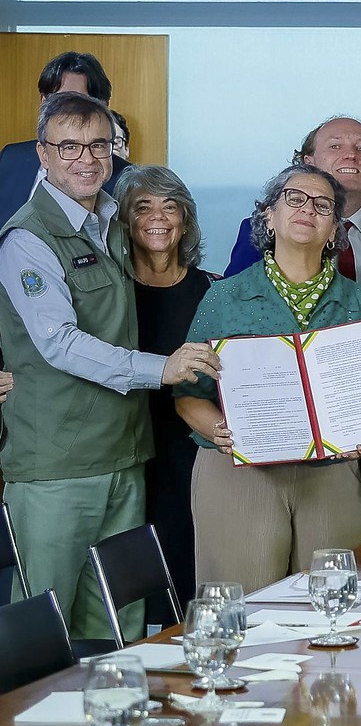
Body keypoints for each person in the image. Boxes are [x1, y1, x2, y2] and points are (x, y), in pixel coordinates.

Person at [0, 93, 215, 641]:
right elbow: (59, 343)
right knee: (45, 626)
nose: (86, 158)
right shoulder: (28, 238)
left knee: (119, 628)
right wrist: (161, 368)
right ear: (42, 154)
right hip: (57, 466)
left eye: (97, 144)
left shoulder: (107, 224)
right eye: (68, 146)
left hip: (124, 455)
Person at [176, 164, 361, 590]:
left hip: (331, 472)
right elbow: (187, 393)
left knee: (331, 607)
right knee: (242, 607)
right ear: (269, 216)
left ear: (335, 230)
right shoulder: (224, 297)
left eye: (322, 205)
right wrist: (220, 429)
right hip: (240, 471)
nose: (308, 209)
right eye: (295, 198)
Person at [117, 165, 213, 612]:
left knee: (191, 570)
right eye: (143, 207)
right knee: (133, 583)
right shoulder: (109, 293)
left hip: (193, 449)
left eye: (170, 206)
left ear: (186, 219)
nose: (158, 217)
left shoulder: (213, 291)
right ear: (123, 220)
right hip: (126, 447)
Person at [225, 116, 361, 282]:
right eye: (335, 146)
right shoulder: (267, 228)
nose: (350, 155)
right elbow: (232, 302)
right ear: (308, 163)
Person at [0, 51, 125, 219]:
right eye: (59, 101)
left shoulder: (127, 180)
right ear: (43, 102)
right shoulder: (11, 158)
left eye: (79, 102)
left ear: (104, 107)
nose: (67, 112)